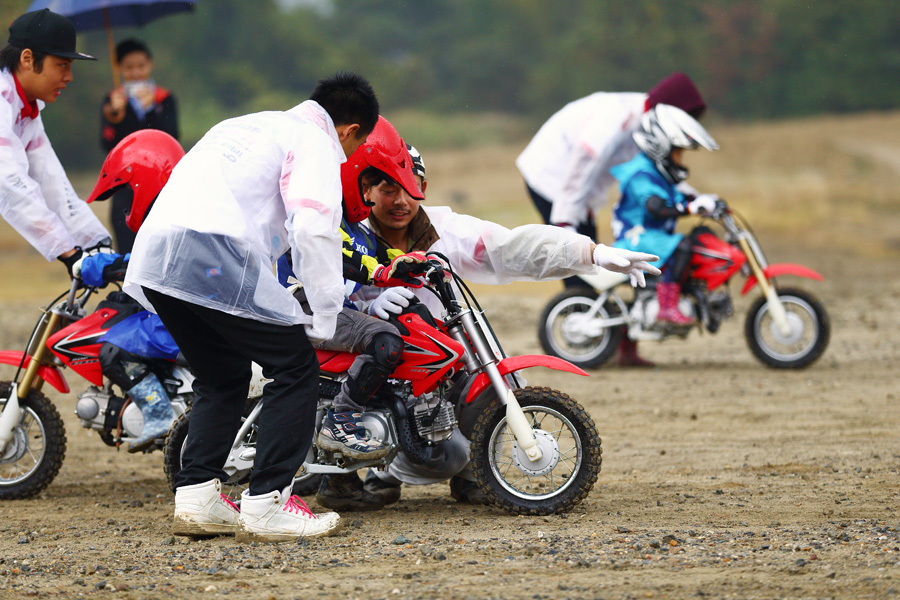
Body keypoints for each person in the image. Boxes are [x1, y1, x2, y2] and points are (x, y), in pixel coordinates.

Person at [321, 128, 660, 509]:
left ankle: (473, 473)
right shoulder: (349, 234)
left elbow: (512, 247)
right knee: (356, 376)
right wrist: (366, 306)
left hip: (436, 356)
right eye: (387, 189)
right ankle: (359, 475)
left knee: (494, 382)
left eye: (409, 188)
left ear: (423, 187)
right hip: (372, 360)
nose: (400, 201)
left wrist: (591, 253)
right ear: (366, 190)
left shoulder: (446, 231)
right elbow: (322, 291)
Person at [122, 71, 380, 542]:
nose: (347, 156)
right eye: (354, 147)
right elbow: (312, 227)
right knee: (295, 367)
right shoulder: (317, 141)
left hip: (158, 256)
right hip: (214, 254)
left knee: (222, 374)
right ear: (350, 130)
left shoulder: (244, 124)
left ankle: (196, 497)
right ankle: (268, 503)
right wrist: (326, 312)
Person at [516, 72, 706, 366]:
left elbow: (661, 172)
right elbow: (583, 161)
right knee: (579, 262)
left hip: (582, 193)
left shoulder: (648, 124)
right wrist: (565, 222)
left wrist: (696, 198)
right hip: (551, 178)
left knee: (608, 265)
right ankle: (583, 343)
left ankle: (619, 345)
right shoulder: (618, 117)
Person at [78, 129, 186, 453]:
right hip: (194, 313)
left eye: (127, 191)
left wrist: (103, 266)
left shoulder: (167, 222)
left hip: (185, 321)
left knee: (114, 349)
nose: (125, 204)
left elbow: (147, 264)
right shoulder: (179, 211)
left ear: (145, 182)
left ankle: (158, 413)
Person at [0, 9, 110, 277]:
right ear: (27, 58)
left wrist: (98, 245)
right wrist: (70, 254)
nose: (69, 77)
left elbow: (51, 182)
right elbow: (9, 183)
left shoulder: (27, 109)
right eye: (62, 65)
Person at [610, 104, 719, 325]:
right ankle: (667, 306)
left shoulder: (657, 173)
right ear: (662, 148)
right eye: (678, 153)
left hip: (651, 237)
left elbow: (677, 197)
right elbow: (656, 207)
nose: (680, 159)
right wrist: (690, 208)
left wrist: (702, 201)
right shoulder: (641, 175)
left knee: (700, 236)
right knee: (683, 246)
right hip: (636, 238)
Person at [100, 38, 178, 254]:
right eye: (129, 67)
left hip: (159, 183)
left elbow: (171, 137)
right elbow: (107, 144)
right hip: (125, 184)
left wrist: (151, 110)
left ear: (150, 64)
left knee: (160, 248)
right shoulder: (112, 101)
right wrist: (116, 117)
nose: (136, 73)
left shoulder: (164, 99)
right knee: (128, 249)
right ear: (119, 68)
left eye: (141, 66)